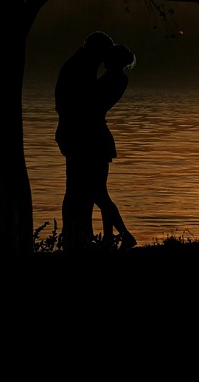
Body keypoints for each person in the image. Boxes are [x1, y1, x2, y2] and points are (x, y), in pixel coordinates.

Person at [55, 31, 114, 251]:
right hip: (80, 136)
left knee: (80, 188)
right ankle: (76, 237)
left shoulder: (79, 66)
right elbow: (84, 104)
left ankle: (78, 236)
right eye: (101, 56)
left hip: (77, 135)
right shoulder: (79, 69)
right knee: (80, 189)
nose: (102, 61)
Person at [88, 43, 137, 249]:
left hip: (96, 138)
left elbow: (94, 100)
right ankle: (109, 236)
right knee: (100, 191)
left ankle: (124, 234)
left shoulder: (116, 79)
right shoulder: (118, 78)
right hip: (99, 137)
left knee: (97, 193)